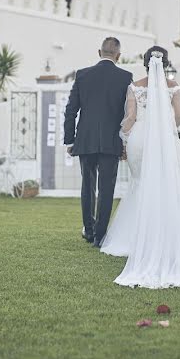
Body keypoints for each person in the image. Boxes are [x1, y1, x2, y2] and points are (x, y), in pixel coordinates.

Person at [100, 46, 180, 289]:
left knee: (139, 185)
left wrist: (123, 134)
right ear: (165, 63)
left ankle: (133, 239)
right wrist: (170, 129)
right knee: (163, 185)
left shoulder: (135, 86)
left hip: (139, 140)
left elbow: (131, 118)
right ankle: (162, 237)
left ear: (145, 63)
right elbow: (178, 114)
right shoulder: (173, 86)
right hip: (162, 141)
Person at [64, 37, 133, 247]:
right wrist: (125, 142)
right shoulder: (125, 77)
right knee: (106, 189)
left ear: (99, 52)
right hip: (112, 141)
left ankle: (89, 229)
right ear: (118, 56)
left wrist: (70, 140)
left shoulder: (82, 75)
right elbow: (128, 113)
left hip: (85, 139)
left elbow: (71, 110)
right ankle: (100, 236)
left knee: (87, 186)